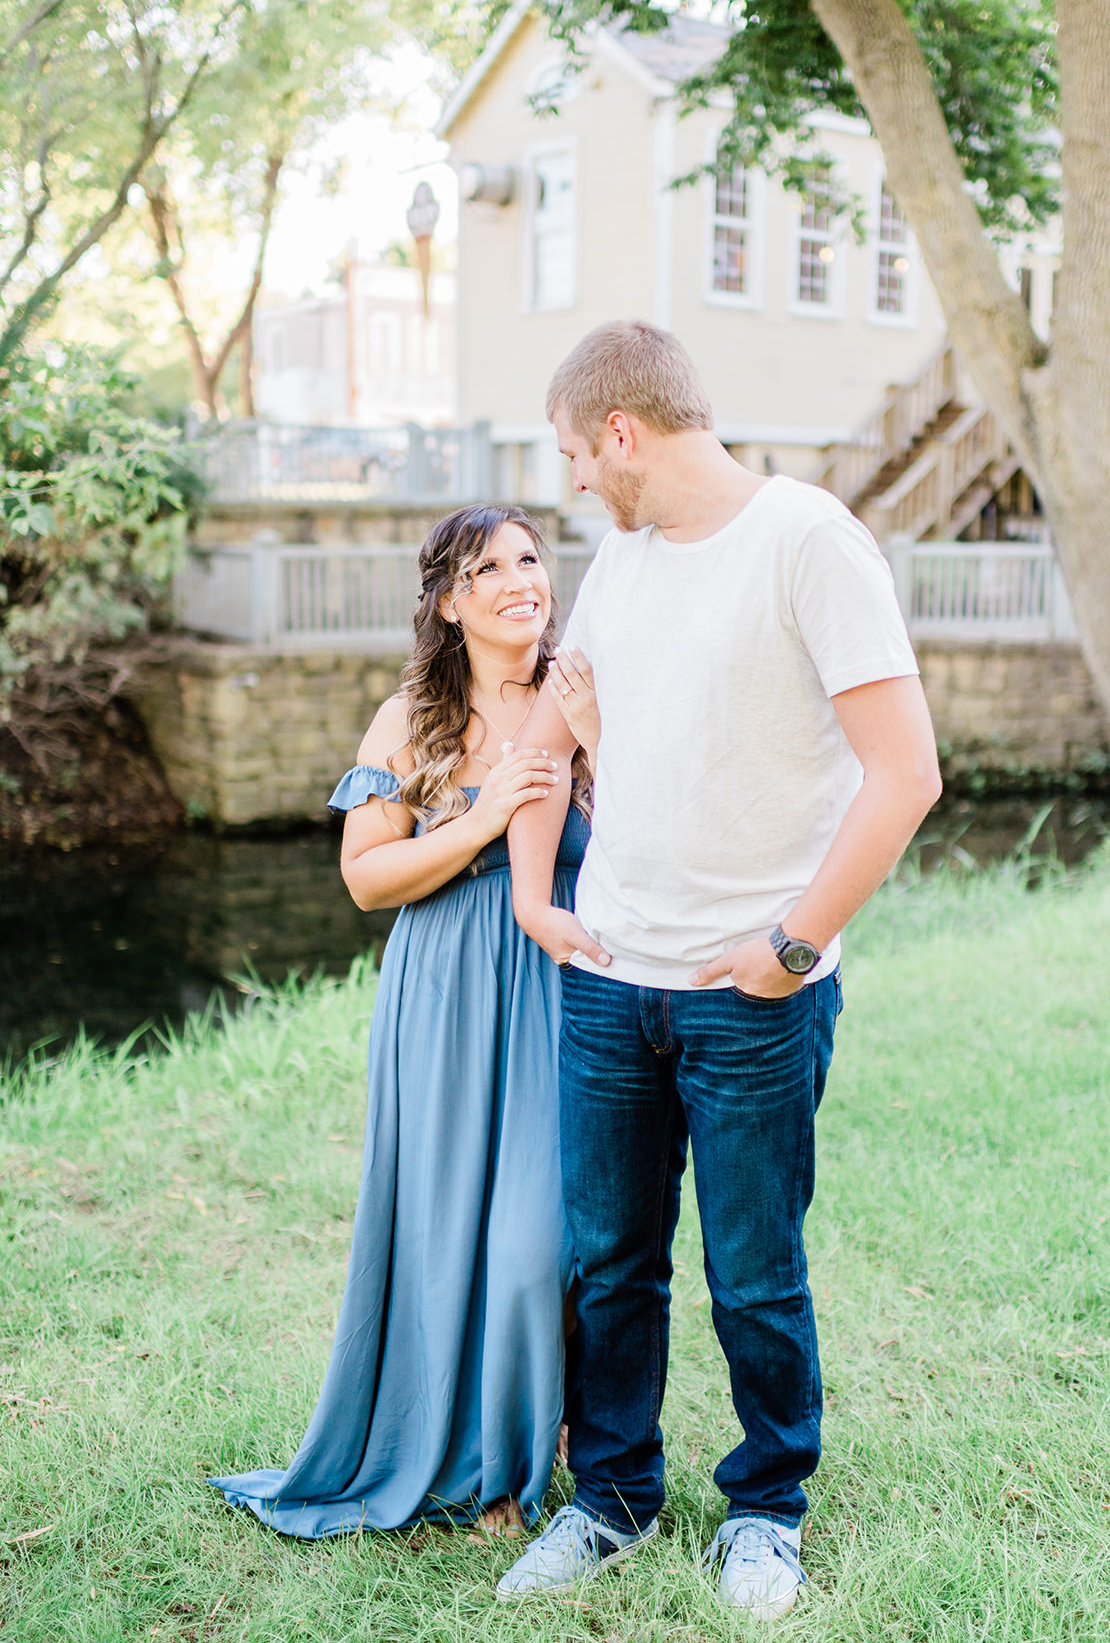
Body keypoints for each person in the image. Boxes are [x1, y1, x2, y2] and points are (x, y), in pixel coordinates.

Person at [497, 321, 943, 1618]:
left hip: (756, 999)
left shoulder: (808, 542)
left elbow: (905, 774)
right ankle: (614, 1495)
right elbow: (552, 727)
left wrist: (795, 941)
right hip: (608, 981)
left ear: (625, 435)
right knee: (607, 1259)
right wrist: (538, 897)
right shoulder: (619, 561)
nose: (574, 479)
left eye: (579, 453)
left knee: (752, 1269)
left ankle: (765, 1510)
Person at [212, 504, 596, 1540]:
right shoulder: (409, 719)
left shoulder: (583, 693)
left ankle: (535, 1446)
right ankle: (487, 1475)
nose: (521, 579)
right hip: (442, 992)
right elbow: (368, 880)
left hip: (561, 990)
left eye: (530, 559)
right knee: (443, 1232)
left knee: (537, 1242)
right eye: (490, 568)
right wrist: (478, 820)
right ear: (449, 600)